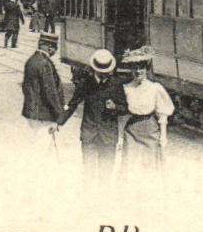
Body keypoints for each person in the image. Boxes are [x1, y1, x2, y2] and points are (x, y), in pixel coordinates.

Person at [60, 48, 126, 183]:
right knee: (88, 172)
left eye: (107, 72)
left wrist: (115, 107)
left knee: (106, 174)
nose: (105, 75)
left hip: (108, 136)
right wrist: (58, 122)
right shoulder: (85, 83)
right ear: (95, 70)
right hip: (89, 135)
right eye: (102, 72)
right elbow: (73, 104)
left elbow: (125, 108)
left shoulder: (116, 84)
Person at [118, 47, 173, 174]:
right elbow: (122, 116)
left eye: (141, 68)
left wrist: (163, 136)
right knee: (130, 166)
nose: (138, 71)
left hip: (151, 130)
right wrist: (120, 137)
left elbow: (162, 113)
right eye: (135, 68)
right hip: (132, 130)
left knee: (150, 167)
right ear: (131, 69)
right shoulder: (126, 89)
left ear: (146, 69)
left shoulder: (155, 88)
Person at [21, 33, 67, 161]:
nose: (55, 51)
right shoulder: (45, 63)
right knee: (41, 149)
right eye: (54, 48)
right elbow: (50, 91)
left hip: (32, 112)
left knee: (38, 145)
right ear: (49, 47)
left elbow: (26, 87)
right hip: (44, 115)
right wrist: (59, 113)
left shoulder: (31, 60)